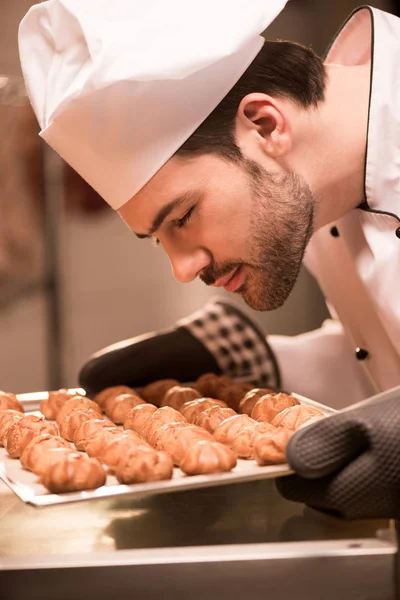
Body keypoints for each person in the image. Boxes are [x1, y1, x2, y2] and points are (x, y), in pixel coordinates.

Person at [18, 1, 400, 519]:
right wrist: (256, 364)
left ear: (265, 125)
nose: (182, 269)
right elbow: (381, 358)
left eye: (182, 217)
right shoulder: (314, 189)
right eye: (158, 239)